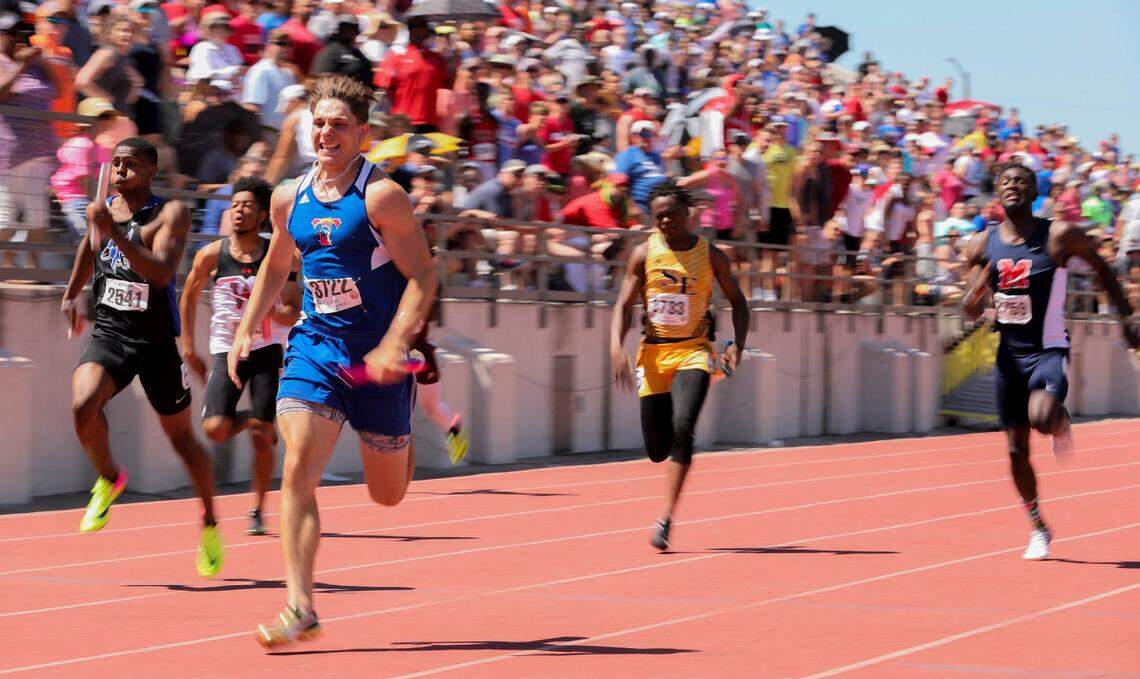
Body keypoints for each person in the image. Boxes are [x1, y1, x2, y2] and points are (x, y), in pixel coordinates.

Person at [228, 76, 436, 647]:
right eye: (318, 123)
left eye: (338, 124)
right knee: (297, 466)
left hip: (376, 354)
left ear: (362, 135)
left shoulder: (380, 197)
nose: (326, 132)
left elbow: (423, 277)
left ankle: (403, 430)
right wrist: (249, 327)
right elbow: (276, 262)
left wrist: (397, 343)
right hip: (316, 345)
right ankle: (301, 608)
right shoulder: (287, 196)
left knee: (386, 495)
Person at [60, 137, 224, 577]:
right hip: (111, 333)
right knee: (82, 406)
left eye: (130, 165)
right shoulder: (108, 208)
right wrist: (72, 292)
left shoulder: (171, 213)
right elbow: (87, 246)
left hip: (155, 344)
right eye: (115, 164)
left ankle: (209, 522)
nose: (120, 171)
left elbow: (161, 272)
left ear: (151, 170)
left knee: (183, 443)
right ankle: (109, 477)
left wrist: (112, 230)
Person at [961, 162, 1140, 560]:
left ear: (1034, 191)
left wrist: (1126, 317)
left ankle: (1060, 421)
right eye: (1006, 180)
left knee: (1042, 416)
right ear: (997, 192)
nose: (1013, 185)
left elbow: (1103, 270)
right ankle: (1038, 525)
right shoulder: (980, 244)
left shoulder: (1058, 235)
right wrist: (974, 305)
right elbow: (972, 306)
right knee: (1014, 451)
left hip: (1048, 349)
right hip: (1008, 356)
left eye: (1021, 180)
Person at [610, 180, 749, 551]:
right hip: (653, 354)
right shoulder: (643, 253)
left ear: (688, 214)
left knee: (683, 426)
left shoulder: (712, 255)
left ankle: (666, 518)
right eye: (659, 216)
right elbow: (623, 304)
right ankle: (673, 439)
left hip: (693, 351)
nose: (666, 221)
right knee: (657, 449)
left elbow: (739, 302)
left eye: (672, 214)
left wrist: (737, 345)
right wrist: (614, 346)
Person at [179, 176, 301, 536]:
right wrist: (188, 345)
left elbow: (292, 309)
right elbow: (187, 295)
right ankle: (252, 420)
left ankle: (257, 509)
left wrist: (278, 312)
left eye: (247, 205)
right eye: (234, 205)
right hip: (225, 350)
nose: (238, 211)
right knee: (215, 429)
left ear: (263, 215)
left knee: (263, 440)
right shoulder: (210, 255)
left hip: (265, 350)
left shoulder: (282, 255)